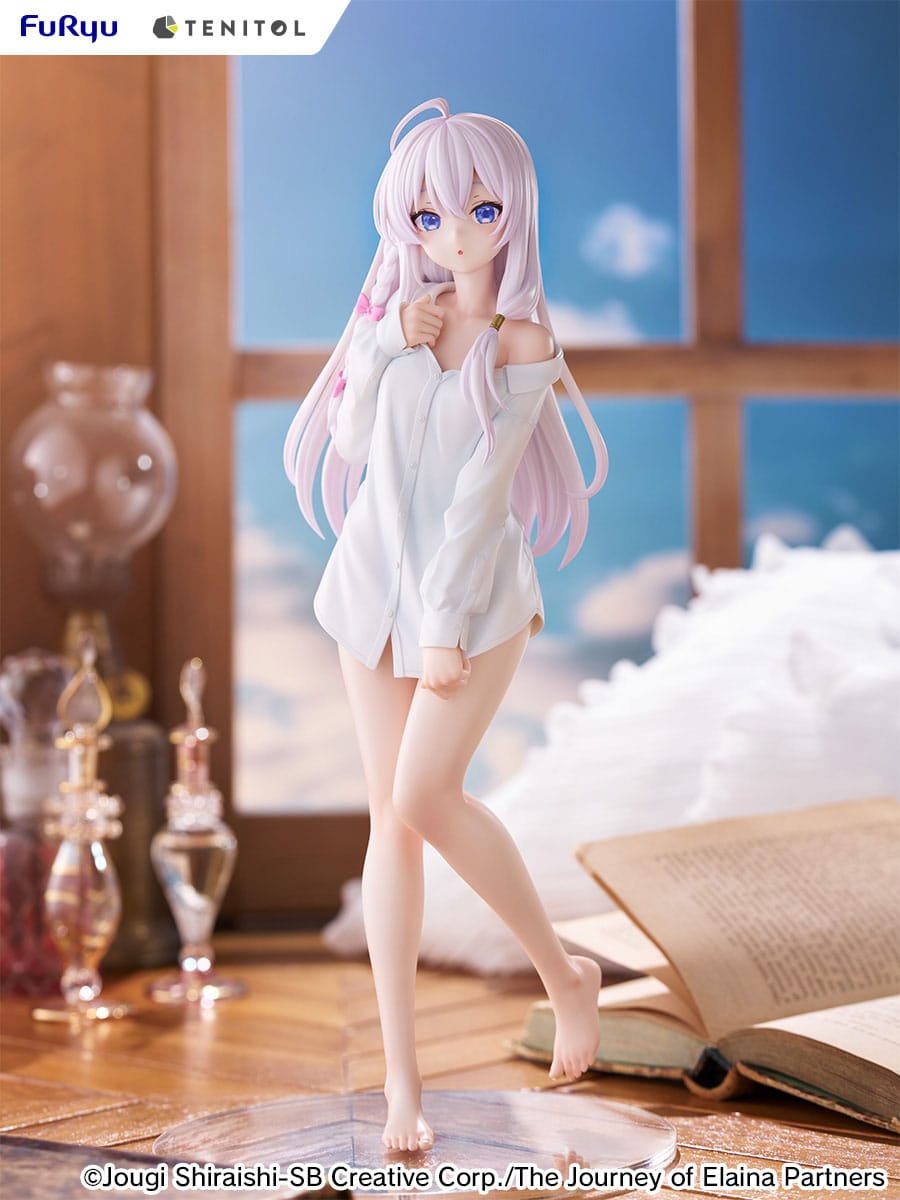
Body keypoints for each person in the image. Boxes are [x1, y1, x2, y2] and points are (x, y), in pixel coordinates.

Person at [283, 98, 610, 1152]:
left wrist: (444, 630)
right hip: (368, 596)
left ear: (512, 213)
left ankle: (564, 974)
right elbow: (351, 442)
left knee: (427, 794)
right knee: (390, 822)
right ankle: (402, 1083)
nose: (455, 235)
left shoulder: (523, 343)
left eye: (479, 210)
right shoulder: (399, 318)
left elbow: (481, 497)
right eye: (429, 217)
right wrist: (385, 344)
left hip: (472, 606)